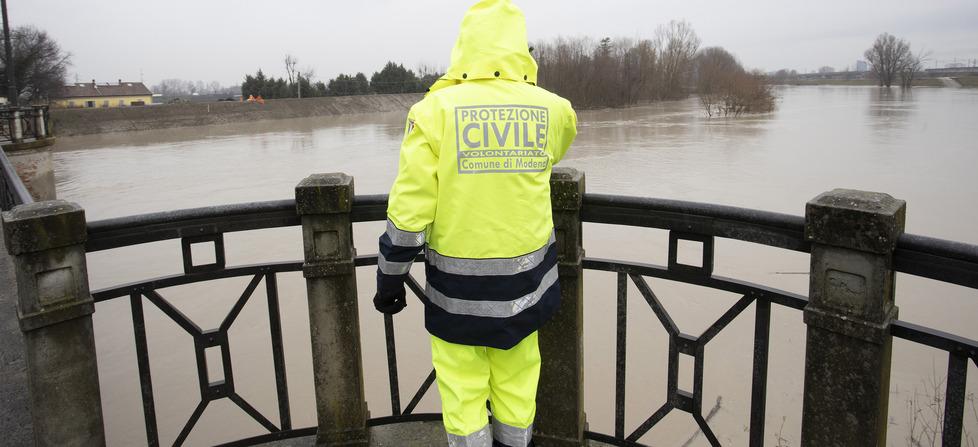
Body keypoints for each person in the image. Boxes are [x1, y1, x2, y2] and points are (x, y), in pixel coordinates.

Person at [373, 1, 577, 446]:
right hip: (527, 291)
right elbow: (555, 152)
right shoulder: (553, 110)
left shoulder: (432, 113)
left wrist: (390, 280)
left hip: (456, 295)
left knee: (463, 392)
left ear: (463, 47)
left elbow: (409, 214)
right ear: (521, 49)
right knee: (518, 386)